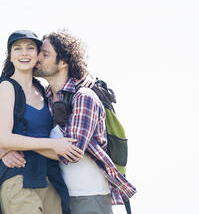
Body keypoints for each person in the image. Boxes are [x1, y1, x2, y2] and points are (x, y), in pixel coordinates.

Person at [33, 30, 137, 214]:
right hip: (59, 196)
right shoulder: (45, 98)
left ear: (63, 62)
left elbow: (72, 152)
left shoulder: (84, 96)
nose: (37, 57)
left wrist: (18, 144)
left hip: (90, 197)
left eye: (45, 54)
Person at [0, 30, 87, 214]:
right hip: (19, 177)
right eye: (17, 49)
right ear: (10, 56)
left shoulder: (43, 90)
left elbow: (62, 150)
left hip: (49, 180)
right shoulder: (6, 87)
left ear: (37, 55)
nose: (24, 53)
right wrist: (52, 145)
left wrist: (58, 150)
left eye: (30, 48)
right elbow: (3, 138)